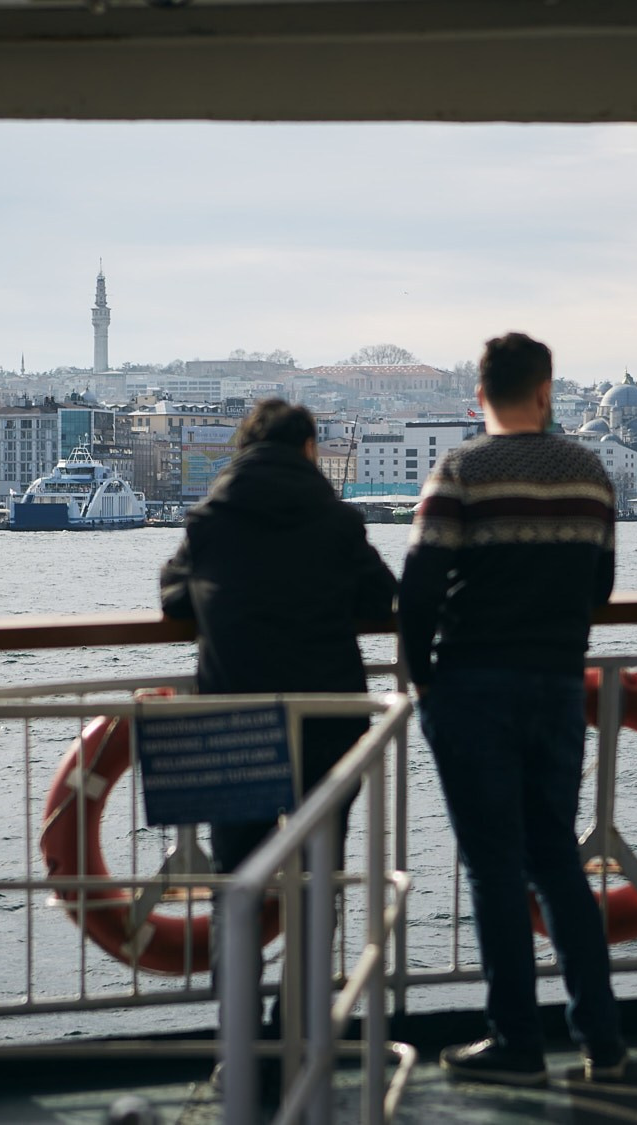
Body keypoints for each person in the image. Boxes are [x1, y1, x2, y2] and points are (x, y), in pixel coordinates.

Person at [400, 332, 628, 1086]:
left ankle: (516, 1039)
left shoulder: (461, 469)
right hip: (557, 685)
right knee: (557, 860)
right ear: (546, 391)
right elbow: (599, 585)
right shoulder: (592, 472)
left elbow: (421, 586)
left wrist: (421, 679)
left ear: (478, 398)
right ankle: (603, 1035)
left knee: (493, 865)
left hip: (473, 688)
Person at [159, 398, 395, 1012]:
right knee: (320, 882)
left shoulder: (210, 519)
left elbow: (174, 601)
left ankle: (237, 1046)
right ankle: (302, 1026)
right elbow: (381, 595)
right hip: (326, 722)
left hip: (235, 721)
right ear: (309, 449)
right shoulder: (337, 521)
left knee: (235, 884)